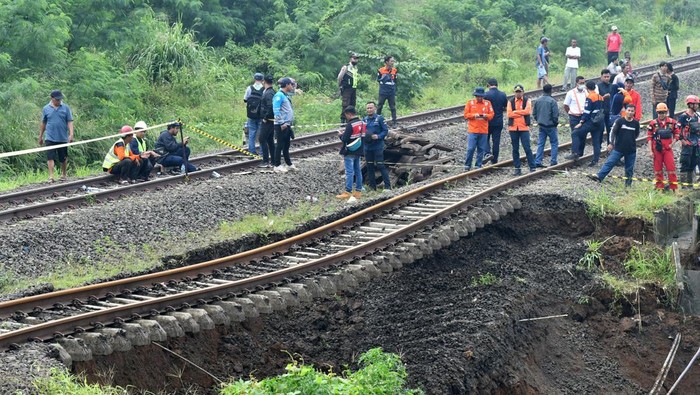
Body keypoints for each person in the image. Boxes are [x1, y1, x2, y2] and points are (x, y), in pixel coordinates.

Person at [587, 104, 640, 186]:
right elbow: (613, 132)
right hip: (618, 148)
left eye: (632, 111)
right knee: (609, 162)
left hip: (631, 150)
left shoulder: (636, 123)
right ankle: (599, 176)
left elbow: (636, 134)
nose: (630, 112)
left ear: (634, 112)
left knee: (629, 169)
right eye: (628, 110)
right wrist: (611, 143)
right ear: (625, 111)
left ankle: (628, 185)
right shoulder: (619, 121)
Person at [566, 80, 604, 166]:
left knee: (575, 133)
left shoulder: (590, 97)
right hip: (599, 122)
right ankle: (595, 160)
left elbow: (587, 112)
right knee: (596, 142)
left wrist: (581, 122)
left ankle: (575, 152)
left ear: (587, 88)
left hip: (591, 122)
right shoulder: (600, 97)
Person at [39, 90, 74, 182]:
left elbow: (69, 121)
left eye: (60, 100)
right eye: (57, 100)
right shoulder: (46, 108)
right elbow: (43, 123)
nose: (58, 101)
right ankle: (51, 176)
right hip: (50, 137)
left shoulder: (66, 108)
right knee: (50, 157)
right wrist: (41, 136)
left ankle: (63, 174)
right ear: (52, 98)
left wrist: (71, 134)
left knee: (63, 157)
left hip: (62, 137)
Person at [647, 103, 680, 191]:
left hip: (668, 149)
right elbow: (649, 137)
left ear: (667, 112)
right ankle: (659, 188)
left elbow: (677, 134)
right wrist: (650, 151)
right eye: (660, 112)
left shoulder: (672, 122)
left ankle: (674, 188)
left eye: (664, 112)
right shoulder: (653, 123)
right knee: (657, 169)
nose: (662, 114)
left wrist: (671, 144)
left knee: (671, 168)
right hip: (657, 149)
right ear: (657, 113)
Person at [336, 106, 365, 199]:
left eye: (346, 115)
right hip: (359, 150)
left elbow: (345, 139)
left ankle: (348, 191)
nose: (346, 117)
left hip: (349, 151)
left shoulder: (350, 125)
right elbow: (363, 136)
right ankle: (358, 191)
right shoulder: (362, 122)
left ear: (349, 114)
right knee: (358, 171)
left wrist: (341, 135)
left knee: (349, 172)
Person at [463, 87, 494, 171]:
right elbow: (466, 115)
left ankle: (478, 165)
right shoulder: (470, 103)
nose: (479, 98)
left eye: (480, 96)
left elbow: (491, 115)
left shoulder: (488, 103)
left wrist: (485, 116)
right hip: (473, 130)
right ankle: (467, 165)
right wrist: (474, 115)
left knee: (481, 149)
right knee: (471, 148)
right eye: (477, 96)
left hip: (483, 130)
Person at [507, 84, 535, 175]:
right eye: (516, 92)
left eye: (519, 92)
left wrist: (516, 112)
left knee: (527, 147)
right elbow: (509, 114)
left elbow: (527, 111)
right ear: (514, 92)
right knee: (515, 149)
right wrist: (521, 113)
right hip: (513, 128)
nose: (518, 93)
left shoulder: (527, 100)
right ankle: (517, 168)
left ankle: (532, 167)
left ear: (523, 92)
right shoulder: (510, 101)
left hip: (524, 127)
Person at [363, 101, 391, 191]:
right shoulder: (364, 120)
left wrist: (378, 136)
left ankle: (387, 186)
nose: (369, 110)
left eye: (371, 108)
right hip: (367, 147)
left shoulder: (380, 118)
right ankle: (372, 188)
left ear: (374, 108)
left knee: (380, 165)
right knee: (369, 167)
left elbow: (385, 130)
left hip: (377, 146)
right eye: (368, 108)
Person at [273, 77, 297, 173]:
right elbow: (276, 110)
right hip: (281, 125)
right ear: (287, 85)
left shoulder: (285, 95)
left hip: (286, 124)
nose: (292, 86)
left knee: (286, 145)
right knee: (280, 145)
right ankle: (277, 165)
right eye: (291, 84)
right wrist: (282, 122)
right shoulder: (279, 95)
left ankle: (288, 164)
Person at [532, 84, 560, 168]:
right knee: (554, 143)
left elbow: (534, 113)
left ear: (543, 90)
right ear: (551, 90)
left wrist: (539, 120)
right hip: (551, 126)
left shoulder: (538, 100)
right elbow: (555, 115)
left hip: (541, 125)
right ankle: (553, 161)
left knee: (541, 143)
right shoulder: (552, 101)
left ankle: (538, 160)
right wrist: (555, 122)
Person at [676, 95, 700, 187]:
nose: (697, 106)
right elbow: (677, 129)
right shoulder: (683, 117)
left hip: (696, 144)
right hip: (687, 144)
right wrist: (682, 140)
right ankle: (683, 185)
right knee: (685, 164)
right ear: (690, 105)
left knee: (693, 164)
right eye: (695, 104)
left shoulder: (697, 116)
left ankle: (690, 184)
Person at [483, 78, 508, 164]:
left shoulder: (485, 95)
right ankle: (495, 160)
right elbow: (505, 107)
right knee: (496, 141)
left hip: (488, 121)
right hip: (498, 121)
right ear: (497, 84)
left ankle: (487, 153)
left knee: (485, 138)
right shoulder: (503, 94)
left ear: (488, 85)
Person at [243, 73, 265, 154]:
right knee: (261, 134)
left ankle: (251, 151)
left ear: (254, 79)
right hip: (261, 115)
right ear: (262, 79)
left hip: (251, 115)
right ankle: (262, 152)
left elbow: (245, 99)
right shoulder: (264, 89)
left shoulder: (249, 88)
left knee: (252, 133)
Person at [258, 74, 276, 168]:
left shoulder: (268, 93)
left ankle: (265, 161)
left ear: (264, 81)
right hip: (271, 120)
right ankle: (273, 160)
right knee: (270, 140)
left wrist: (265, 117)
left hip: (268, 120)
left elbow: (270, 106)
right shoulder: (271, 91)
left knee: (262, 139)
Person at [338, 53, 359, 125]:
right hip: (346, 88)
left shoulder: (355, 68)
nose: (355, 60)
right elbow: (340, 77)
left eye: (356, 58)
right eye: (354, 58)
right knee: (345, 104)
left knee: (352, 104)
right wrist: (340, 85)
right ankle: (343, 119)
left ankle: (350, 119)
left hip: (353, 88)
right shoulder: (346, 67)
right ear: (351, 59)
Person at [377, 55, 398, 127]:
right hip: (383, 91)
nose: (393, 62)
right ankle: (377, 121)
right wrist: (383, 79)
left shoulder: (395, 70)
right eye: (391, 61)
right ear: (387, 62)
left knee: (392, 107)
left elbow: (395, 80)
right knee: (380, 106)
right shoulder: (381, 70)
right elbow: (378, 80)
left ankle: (394, 122)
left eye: (393, 61)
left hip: (391, 91)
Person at [597, 69, 614, 144]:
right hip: (601, 111)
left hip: (609, 111)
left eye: (608, 76)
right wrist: (603, 97)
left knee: (610, 129)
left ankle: (609, 146)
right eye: (605, 77)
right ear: (601, 77)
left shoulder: (612, 86)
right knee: (600, 130)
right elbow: (596, 99)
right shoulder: (598, 86)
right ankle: (599, 146)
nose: (607, 78)